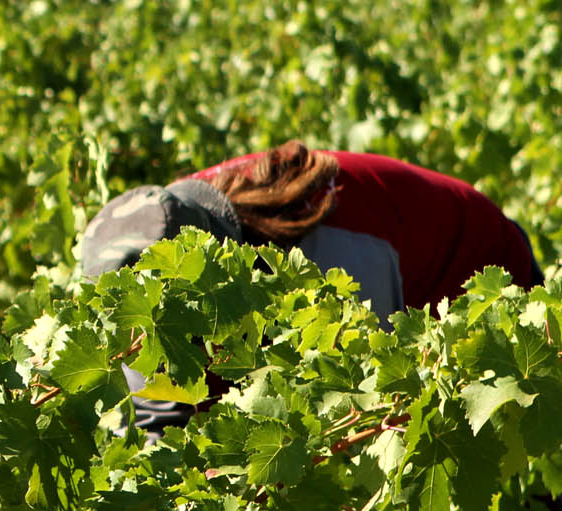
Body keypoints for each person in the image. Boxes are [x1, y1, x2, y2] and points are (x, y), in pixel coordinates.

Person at [79, 140, 544, 433]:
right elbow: (159, 415)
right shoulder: (161, 225)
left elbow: (362, 405)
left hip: (479, 267)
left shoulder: (335, 265)